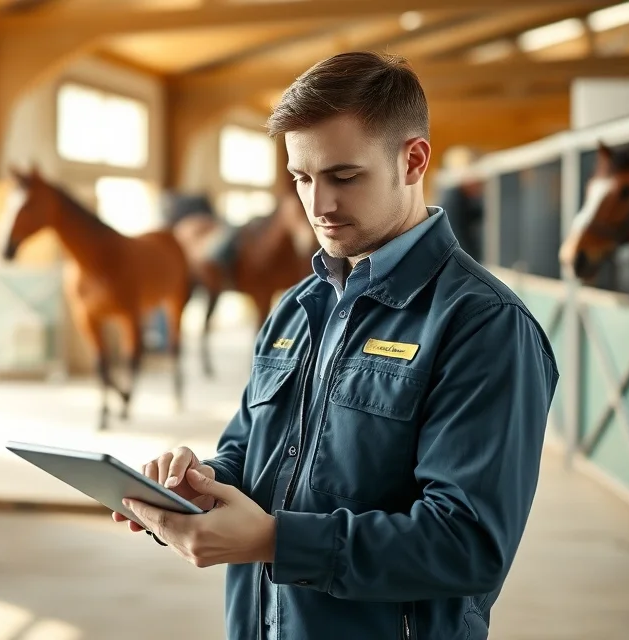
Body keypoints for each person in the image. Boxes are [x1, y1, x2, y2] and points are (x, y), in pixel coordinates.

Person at [113, 51, 559, 640]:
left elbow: (467, 545)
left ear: (413, 160)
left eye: (344, 177)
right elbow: (250, 454)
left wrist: (277, 542)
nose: (318, 206)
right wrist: (197, 483)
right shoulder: (297, 306)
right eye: (302, 178)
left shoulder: (484, 325)